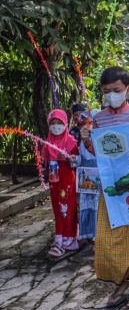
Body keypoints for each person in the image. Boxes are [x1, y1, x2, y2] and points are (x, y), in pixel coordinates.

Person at [80, 66, 129, 309]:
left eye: (116, 90)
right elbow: (97, 152)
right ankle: (122, 282)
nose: (111, 95)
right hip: (110, 187)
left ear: (128, 90)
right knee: (110, 235)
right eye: (106, 91)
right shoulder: (98, 119)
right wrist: (85, 139)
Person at [44, 109, 80, 260]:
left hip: (68, 181)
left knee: (68, 208)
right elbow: (44, 163)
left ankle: (69, 239)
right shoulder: (47, 144)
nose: (56, 126)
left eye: (59, 123)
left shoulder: (71, 141)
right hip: (54, 182)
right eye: (53, 124)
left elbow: (78, 161)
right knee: (58, 209)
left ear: (65, 124)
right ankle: (59, 238)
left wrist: (69, 158)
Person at [77, 109, 100, 245]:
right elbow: (81, 156)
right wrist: (74, 159)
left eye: (90, 122)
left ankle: (98, 234)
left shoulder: (99, 138)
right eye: (84, 122)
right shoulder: (82, 139)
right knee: (87, 204)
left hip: (98, 176)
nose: (87, 125)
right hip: (85, 175)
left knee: (97, 205)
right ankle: (88, 232)